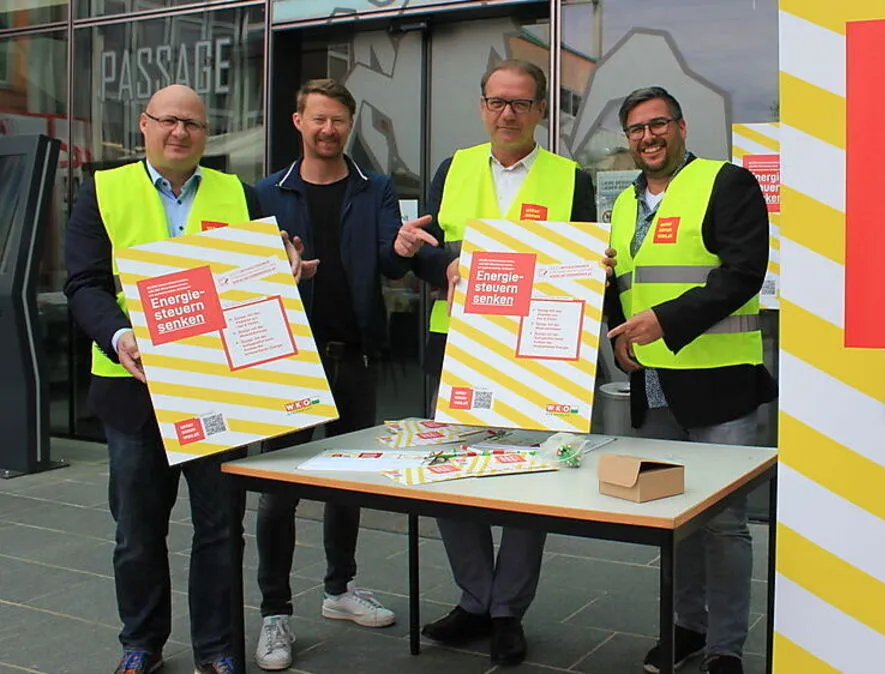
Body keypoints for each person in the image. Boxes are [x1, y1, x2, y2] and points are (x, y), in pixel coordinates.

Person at [63, 84, 281, 674]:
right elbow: (83, 283)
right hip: (133, 388)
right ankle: (142, 644)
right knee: (137, 531)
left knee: (220, 529)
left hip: (217, 391)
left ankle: (217, 648)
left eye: (192, 123)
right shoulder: (104, 190)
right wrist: (119, 335)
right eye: (168, 120)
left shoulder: (238, 193)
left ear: (206, 134)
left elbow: (258, 278)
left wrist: (284, 266)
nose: (179, 132)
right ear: (144, 124)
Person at [391, 59, 597, 667]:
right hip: (458, 346)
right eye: (497, 102)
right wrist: (445, 263)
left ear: (540, 111)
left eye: (521, 103)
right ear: (482, 106)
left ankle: (508, 609)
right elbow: (423, 249)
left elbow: (585, 260)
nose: (508, 114)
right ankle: (475, 599)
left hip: (540, 353)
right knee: (453, 474)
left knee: (532, 480)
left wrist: (597, 266)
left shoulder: (571, 179)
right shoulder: (451, 169)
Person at [249, 78, 433, 671]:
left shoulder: (374, 187)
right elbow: (247, 278)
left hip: (354, 355)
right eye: (319, 119)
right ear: (298, 121)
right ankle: (274, 612)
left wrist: (401, 248)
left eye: (339, 121)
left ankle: (339, 590)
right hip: (288, 362)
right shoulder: (265, 192)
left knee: (347, 483)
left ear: (349, 126)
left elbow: (387, 263)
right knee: (278, 491)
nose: (329, 130)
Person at [605, 86, 777, 674]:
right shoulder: (623, 205)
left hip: (719, 384)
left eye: (659, 124)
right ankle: (687, 628)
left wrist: (665, 320)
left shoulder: (726, 183)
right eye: (637, 129)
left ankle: (726, 647)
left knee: (725, 524)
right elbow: (624, 284)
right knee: (672, 518)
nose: (648, 137)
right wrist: (620, 336)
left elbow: (743, 273)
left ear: (681, 127)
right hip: (654, 386)